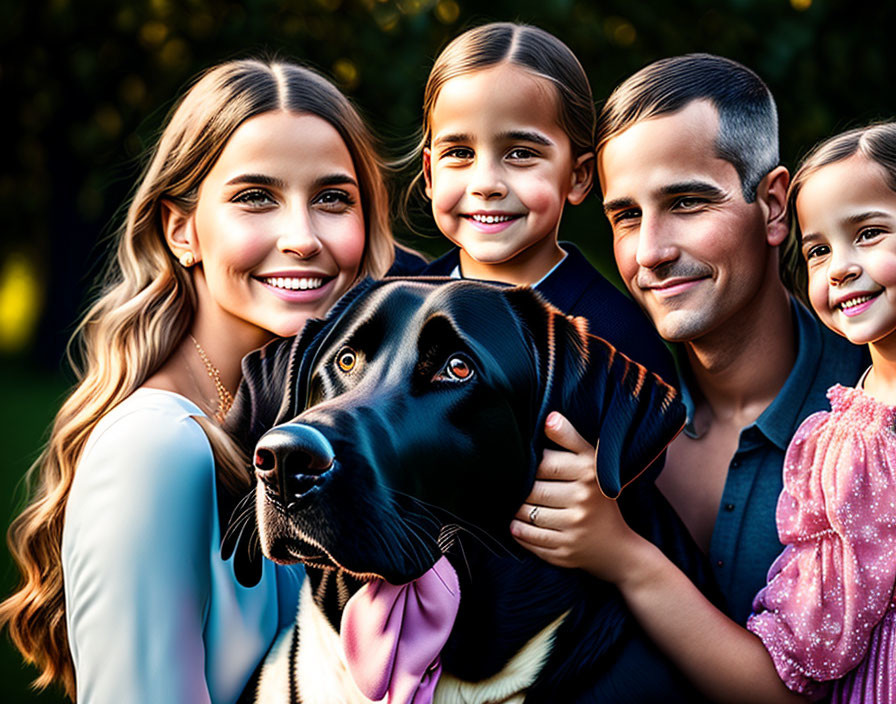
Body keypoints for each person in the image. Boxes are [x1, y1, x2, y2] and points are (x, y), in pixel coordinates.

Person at [0, 58, 414, 703]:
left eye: (333, 199)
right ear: (181, 229)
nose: (303, 238)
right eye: (256, 198)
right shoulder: (155, 449)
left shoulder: (315, 437)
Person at [518, 121, 896, 703]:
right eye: (625, 217)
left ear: (772, 206)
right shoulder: (594, 410)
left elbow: (789, 686)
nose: (652, 251)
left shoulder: (854, 439)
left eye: (687, 202)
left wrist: (623, 556)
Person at [412, 21, 676, 381]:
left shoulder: (619, 343)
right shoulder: (393, 305)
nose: (486, 184)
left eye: (520, 153)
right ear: (430, 174)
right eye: (460, 152)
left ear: (578, 176)